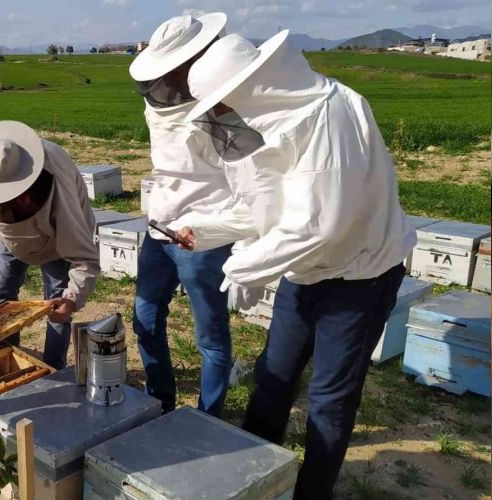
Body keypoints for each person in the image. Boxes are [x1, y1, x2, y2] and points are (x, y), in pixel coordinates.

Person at [176, 31, 415, 499]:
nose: (223, 120)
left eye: (223, 107)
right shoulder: (276, 122)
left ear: (247, 88)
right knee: (272, 378)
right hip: (306, 272)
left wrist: (245, 267)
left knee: (329, 399)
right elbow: (270, 209)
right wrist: (204, 230)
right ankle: (256, 477)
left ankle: (311, 492)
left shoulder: (331, 115)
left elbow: (319, 226)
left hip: (359, 278)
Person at [128, 13, 235, 415]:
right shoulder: (155, 103)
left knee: (210, 337)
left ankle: (209, 418)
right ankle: (160, 401)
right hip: (160, 226)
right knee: (145, 315)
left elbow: (250, 176)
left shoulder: (227, 107)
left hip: (203, 233)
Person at [0, 120, 99, 369]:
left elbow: (84, 257)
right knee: (2, 299)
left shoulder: (58, 190)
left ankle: (53, 368)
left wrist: (72, 298)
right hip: (9, 240)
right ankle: (7, 358)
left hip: (57, 242)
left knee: (57, 307)